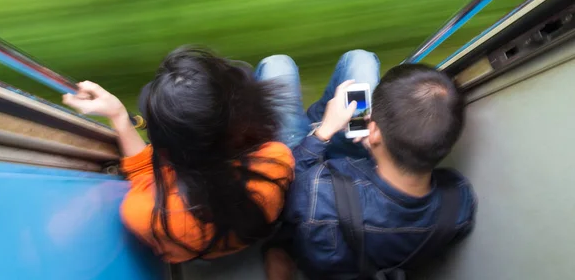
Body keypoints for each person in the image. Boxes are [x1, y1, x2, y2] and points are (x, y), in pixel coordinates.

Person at [63, 46, 310, 263]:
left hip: (208, 249)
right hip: (255, 224)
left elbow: (145, 179)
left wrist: (118, 116)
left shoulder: (145, 213)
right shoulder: (276, 159)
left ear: (167, 150)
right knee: (279, 64)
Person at [264, 50, 477, 280]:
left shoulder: (316, 192)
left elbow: (286, 186)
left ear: (374, 131)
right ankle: (320, 116)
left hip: (311, 172)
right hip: (361, 167)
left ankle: (319, 118)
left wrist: (323, 132)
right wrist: (377, 149)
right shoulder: (459, 202)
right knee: (360, 60)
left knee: (277, 66)